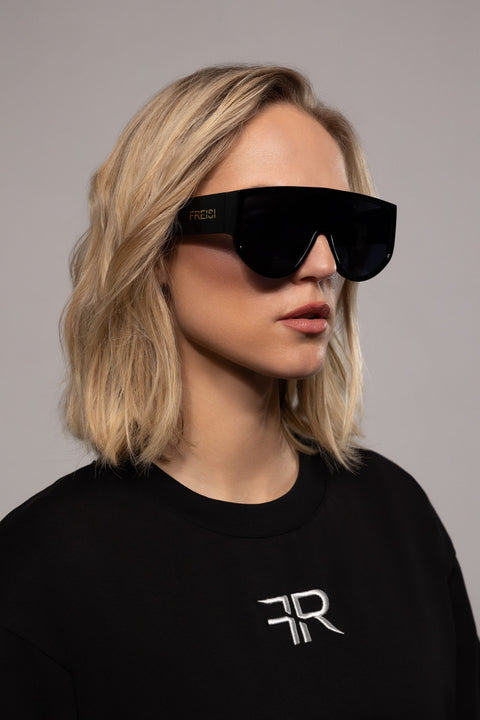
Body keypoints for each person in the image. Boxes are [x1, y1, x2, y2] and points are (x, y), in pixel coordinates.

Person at [0, 64, 478, 719]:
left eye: (346, 228)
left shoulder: (399, 518)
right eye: (275, 224)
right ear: (157, 247)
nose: (323, 265)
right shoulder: (40, 567)